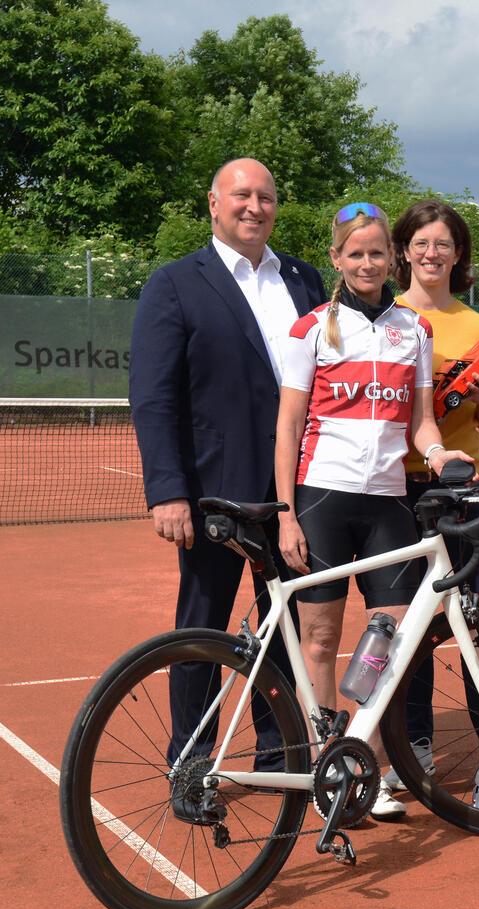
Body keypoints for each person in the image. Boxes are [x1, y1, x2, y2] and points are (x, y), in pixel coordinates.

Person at [274, 202, 473, 821]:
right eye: (354, 253)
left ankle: (367, 760)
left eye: (377, 252)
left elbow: (421, 421)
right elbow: (287, 428)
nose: (367, 262)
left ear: (393, 258)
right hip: (321, 497)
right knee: (322, 637)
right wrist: (285, 512)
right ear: (336, 259)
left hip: (388, 500)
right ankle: (325, 759)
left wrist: (440, 454)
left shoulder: (414, 330)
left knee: (389, 637)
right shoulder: (312, 329)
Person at [129, 157, 327, 766]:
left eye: (266, 197)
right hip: (215, 493)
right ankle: (191, 759)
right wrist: (168, 490)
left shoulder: (305, 278)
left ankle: (277, 755)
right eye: (241, 195)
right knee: (203, 631)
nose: (255, 207)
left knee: (285, 626)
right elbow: (154, 395)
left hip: (297, 491)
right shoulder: (175, 282)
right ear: (213, 204)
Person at [382, 198, 479, 799]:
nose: (431, 253)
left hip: (460, 491)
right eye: (420, 242)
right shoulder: (380, 316)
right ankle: (414, 744)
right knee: (409, 624)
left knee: (470, 618)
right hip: (394, 490)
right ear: (403, 252)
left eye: (442, 243)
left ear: (458, 254)